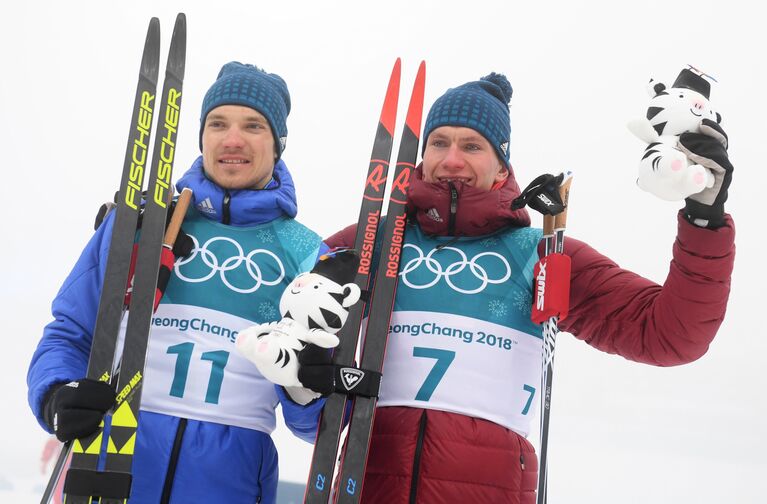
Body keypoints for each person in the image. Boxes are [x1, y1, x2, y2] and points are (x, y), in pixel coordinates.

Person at [319, 72, 735, 503]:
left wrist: (705, 219)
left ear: (503, 165)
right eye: (439, 143)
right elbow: (277, 311)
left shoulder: (542, 255)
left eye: (472, 146)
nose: (452, 160)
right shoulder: (371, 240)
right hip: (368, 486)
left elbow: (670, 334)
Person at [27, 62, 329, 504]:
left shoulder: (305, 255)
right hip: (116, 454)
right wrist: (57, 394)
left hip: (231, 476)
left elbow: (312, 428)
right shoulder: (142, 220)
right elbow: (70, 332)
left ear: (277, 144)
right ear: (202, 136)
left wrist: (308, 391)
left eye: (253, 126)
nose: (232, 139)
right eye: (218, 123)